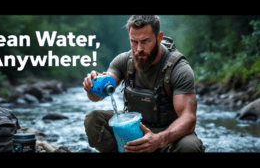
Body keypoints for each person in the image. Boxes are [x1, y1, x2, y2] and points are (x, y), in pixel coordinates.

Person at [83, 15, 205, 153]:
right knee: (93, 120)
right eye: (134, 41)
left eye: (145, 41)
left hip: (167, 134)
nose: (138, 49)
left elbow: (188, 119)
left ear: (159, 37)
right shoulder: (123, 61)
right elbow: (98, 96)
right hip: (133, 128)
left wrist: (158, 140)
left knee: (190, 147)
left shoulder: (179, 69)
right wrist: (92, 86)